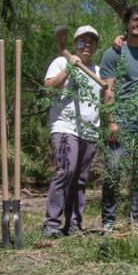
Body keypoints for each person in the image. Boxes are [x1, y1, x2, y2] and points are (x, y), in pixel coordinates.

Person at [100, 7, 138, 232]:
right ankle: (108, 222)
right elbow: (108, 90)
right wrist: (111, 121)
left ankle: (134, 220)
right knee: (114, 170)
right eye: (134, 20)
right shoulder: (113, 53)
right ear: (127, 23)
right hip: (121, 120)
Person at [42, 26, 102, 237]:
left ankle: (74, 224)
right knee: (66, 170)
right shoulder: (61, 62)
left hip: (90, 130)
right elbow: (49, 87)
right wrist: (69, 68)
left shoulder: (98, 71)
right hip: (65, 126)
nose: (87, 45)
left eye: (91, 42)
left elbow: (104, 98)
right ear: (75, 43)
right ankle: (51, 223)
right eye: (82, 41)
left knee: (80, 179)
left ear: (95, 46)